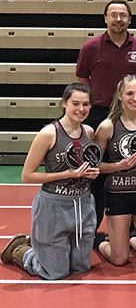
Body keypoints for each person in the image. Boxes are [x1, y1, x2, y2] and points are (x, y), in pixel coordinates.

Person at [1, 83, 98, 279]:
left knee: (81, 268)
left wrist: (92, 173)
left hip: (83, 203)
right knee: (55, 272)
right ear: (64, 103)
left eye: (86, 104)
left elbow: (86, 166)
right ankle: (21, 250)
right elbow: (27, 175)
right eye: (75, 103)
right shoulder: (48, 134)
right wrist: (66, 174)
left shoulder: (89, 131)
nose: (81, 109)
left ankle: (40, 247)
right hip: (54, 205)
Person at [76, 0, 136, 234]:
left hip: (129, 114)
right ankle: (91, 228)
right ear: (105, 18)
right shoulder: (91, 46)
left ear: (130, 19)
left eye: (123, 15)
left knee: (129, 167)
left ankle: (127, 228)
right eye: (113, 15)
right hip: (99, 114)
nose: (118, 19)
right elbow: (81, 79)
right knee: (97, 174)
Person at [94, 75, 136, 266]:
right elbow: (95, 166)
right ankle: (98, 240)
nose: (135, 98)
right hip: (118, 194)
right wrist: (118, 166)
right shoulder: (107, 127)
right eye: (129, 93)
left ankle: (130, 240)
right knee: (119, 259)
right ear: (120, 96)